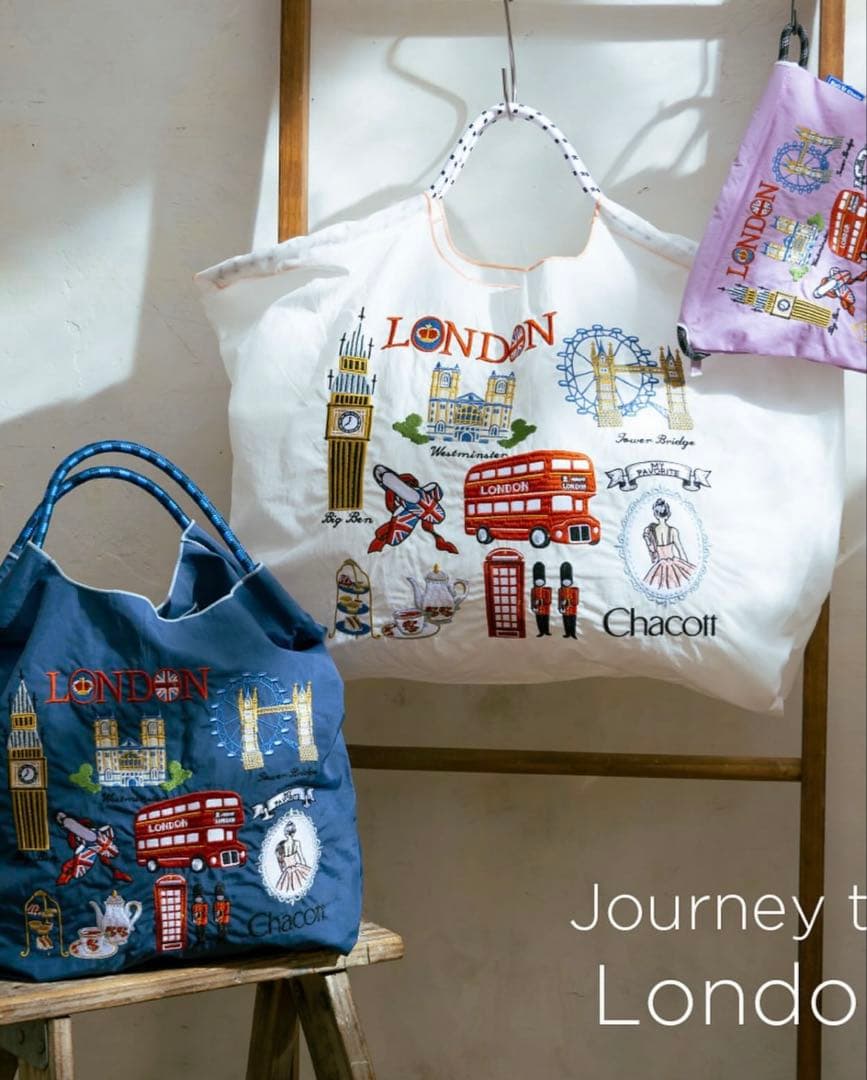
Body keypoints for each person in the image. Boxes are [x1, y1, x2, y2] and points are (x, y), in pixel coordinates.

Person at [642, 498, 695, 591]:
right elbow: (680, 550)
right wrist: (686, 565)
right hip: (675, 564)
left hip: (659, 566)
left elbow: (652, 550)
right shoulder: (673, 531)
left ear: (655, 515)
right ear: (668, 514)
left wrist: (647, 539)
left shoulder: (652, 531)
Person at [275, 819, 311, 894]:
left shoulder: (282, 845)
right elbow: (301, 857)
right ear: (293, 833)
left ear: (285, 833)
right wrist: (305, 867)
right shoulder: (297, 843)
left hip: (287, 871)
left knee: (287, 888)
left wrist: (283, 870)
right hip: (297, 867)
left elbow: (280, 862)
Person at [557, 563, 579, 640]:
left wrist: (567, 601)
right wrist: (560, 607)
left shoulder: (574, 590)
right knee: (566, 622)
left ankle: (573, 634)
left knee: (572, 622)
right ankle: (567, 633)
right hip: (564, 610)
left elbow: (576, 602)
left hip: (572, 610)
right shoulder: (561, 590)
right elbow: (559, 600)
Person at [530, 562, 552, 637]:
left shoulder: (547, 590)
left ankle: (547, 631)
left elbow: (549, 601)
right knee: (539, 621)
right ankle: (541, 632)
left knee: (546, 620)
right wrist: (533, 607)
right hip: (538, 609)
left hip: (545, 609)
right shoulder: (533, 590)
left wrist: (541, 601)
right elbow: (532, 599)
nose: (539, 582)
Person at [191, 883, 208, 947]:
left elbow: (205, 912)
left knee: (203, 929)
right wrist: (194, 918)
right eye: (197, 898)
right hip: (197, 920)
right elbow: (193, 912)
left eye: (199, 898)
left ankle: (203, 939)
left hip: (203, 919)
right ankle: (199, 939)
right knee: (198, 930)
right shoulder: (194, 905)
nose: (198, 899)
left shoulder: (204, 905)